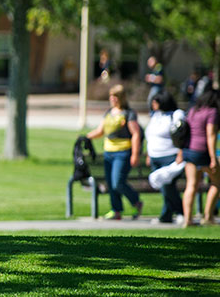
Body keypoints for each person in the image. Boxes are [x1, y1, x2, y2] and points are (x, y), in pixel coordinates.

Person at [86, 84, 143, 220]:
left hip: (123, 152)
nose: (112, 99)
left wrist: (135, 154)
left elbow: (136, 134)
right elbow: (100, 131)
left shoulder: (128, 114)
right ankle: (116, 210)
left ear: (121, 98)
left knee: (118, 182)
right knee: (111, 184)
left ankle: (136, 201)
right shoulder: (108, 113)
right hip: (108, 152)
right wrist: (86, 137)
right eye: (111, 96)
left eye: (115, 96)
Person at [144, 91, 185, 224]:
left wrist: (180, 152)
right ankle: (166, 215)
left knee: (168, 186)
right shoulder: (155, 116)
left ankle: (180, 211)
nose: (153, 104)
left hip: (170, 155)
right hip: (155, 155)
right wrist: (148, 154)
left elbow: (182, 134)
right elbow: (150, 135)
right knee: (163, 187)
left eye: (155, 102)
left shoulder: (176, 115)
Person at [182, 89, 220, 228]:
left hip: (190, 151)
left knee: (191, 185)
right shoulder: (212, 112)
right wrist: (213, 158)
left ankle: (188, 220)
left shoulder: (193, 111)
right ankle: (208, 216)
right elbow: (211, 135)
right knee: (217, 183)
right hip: (203, 151)